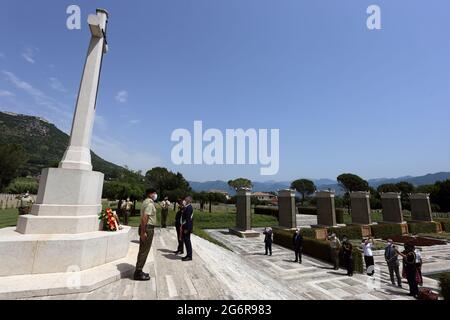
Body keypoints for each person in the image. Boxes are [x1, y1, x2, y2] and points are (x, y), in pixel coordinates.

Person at [134, 188, 158, 281]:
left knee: (142, 250)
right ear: (150, 194)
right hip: (148, 228)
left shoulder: (145, 202)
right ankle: (138, 272)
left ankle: (139, 270)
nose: (155, 194)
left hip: (145, 227)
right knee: (144, 251)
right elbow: (145, 218)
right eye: (154, 193)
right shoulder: (150, 203)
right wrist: (143, 232)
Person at [181, 196, 194, 261]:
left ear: (189, 200)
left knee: (187, 242)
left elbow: (189, 219)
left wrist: (187, 229)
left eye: (186, 199)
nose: (184, 200)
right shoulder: (187, 207)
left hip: (187, 227)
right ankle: (188, 255)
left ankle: (189, 256)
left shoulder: (189, 208)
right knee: (186, 241)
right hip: (185, 226)